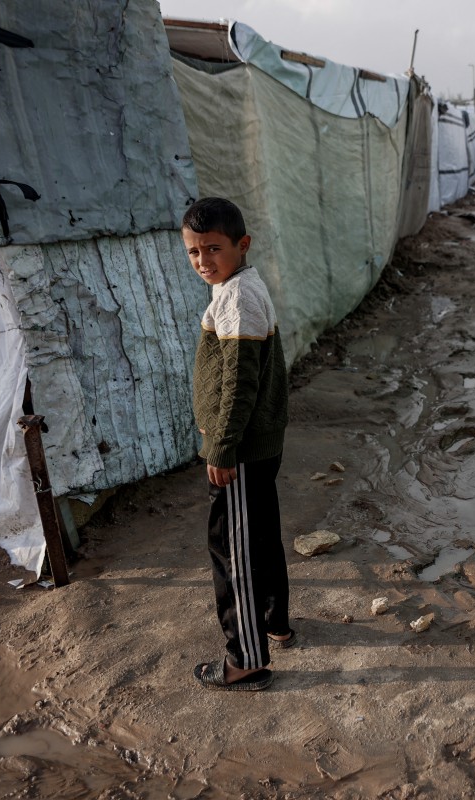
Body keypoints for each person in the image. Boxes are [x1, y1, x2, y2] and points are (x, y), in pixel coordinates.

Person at [182, 197, 293, 691]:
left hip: (240, 451)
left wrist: (222, 447)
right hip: (254, 446)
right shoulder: (237, 287)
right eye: (193, 252)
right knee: (260, 537)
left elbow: (239, 383)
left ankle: (246, 656)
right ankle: (274, 621)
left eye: (213, 249)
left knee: (234, 552)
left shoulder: (237, 298)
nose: (203, 261)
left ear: (241, 245)